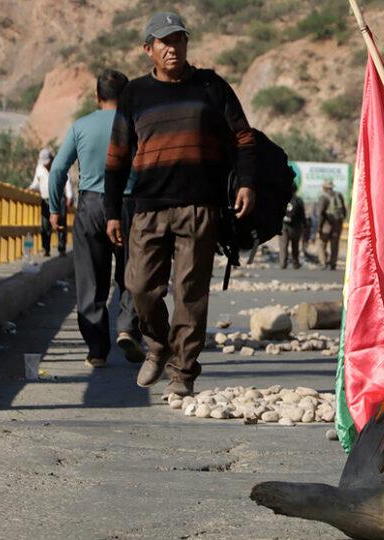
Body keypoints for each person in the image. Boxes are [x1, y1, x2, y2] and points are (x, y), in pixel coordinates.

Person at [104, 11, 257, 396]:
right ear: (148, 49)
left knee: (190, 294)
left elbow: (244, 138)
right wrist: (111, 212)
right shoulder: (134, 94)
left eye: (180, 40)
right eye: (165, 42)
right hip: (148, 207)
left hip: (199, 207)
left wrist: (247, 184)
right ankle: (156, 344)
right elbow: (117, 157)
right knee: (140, 287)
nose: (173, 49)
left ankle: (182, 375)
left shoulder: (211, 86)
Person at [50, 69, 144, 368]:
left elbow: (57, 171)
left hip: (91, 206)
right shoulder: (136, 124)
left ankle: (96, 350)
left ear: (97, 96)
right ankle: (128, 327)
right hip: (130, 205)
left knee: (91, 281)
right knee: (132, 272)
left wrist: (55, 209)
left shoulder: (81, 126)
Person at [29, 147, 72, 257]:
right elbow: (36, 183)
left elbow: (67, 180)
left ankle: (62, 248)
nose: (46, 165)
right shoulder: (39, 168)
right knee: (45, 225)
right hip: (45, 199)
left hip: (59, 199)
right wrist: (30, 188)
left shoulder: (59, 166)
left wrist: (69, 196)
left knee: (61, 223)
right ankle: (45, 248)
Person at [317, 180, 346, 270]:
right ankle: (333, 263)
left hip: (326, 224)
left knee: (322, 244)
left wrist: (319, 227)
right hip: (337, 225)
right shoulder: (339, 195)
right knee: (335, 244)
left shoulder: (323, 197)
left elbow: (321, 213)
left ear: (324, 187)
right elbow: (344, 211)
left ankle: (323, 263)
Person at [280, 192, 305, 269]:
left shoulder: (281, 198)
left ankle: (283, 263)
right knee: (295, 245)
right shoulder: (299, 200)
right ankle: (295, 263)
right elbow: (302, 214)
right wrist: (304, 224)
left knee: (283, 245)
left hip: (283, 226)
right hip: (295, 226)